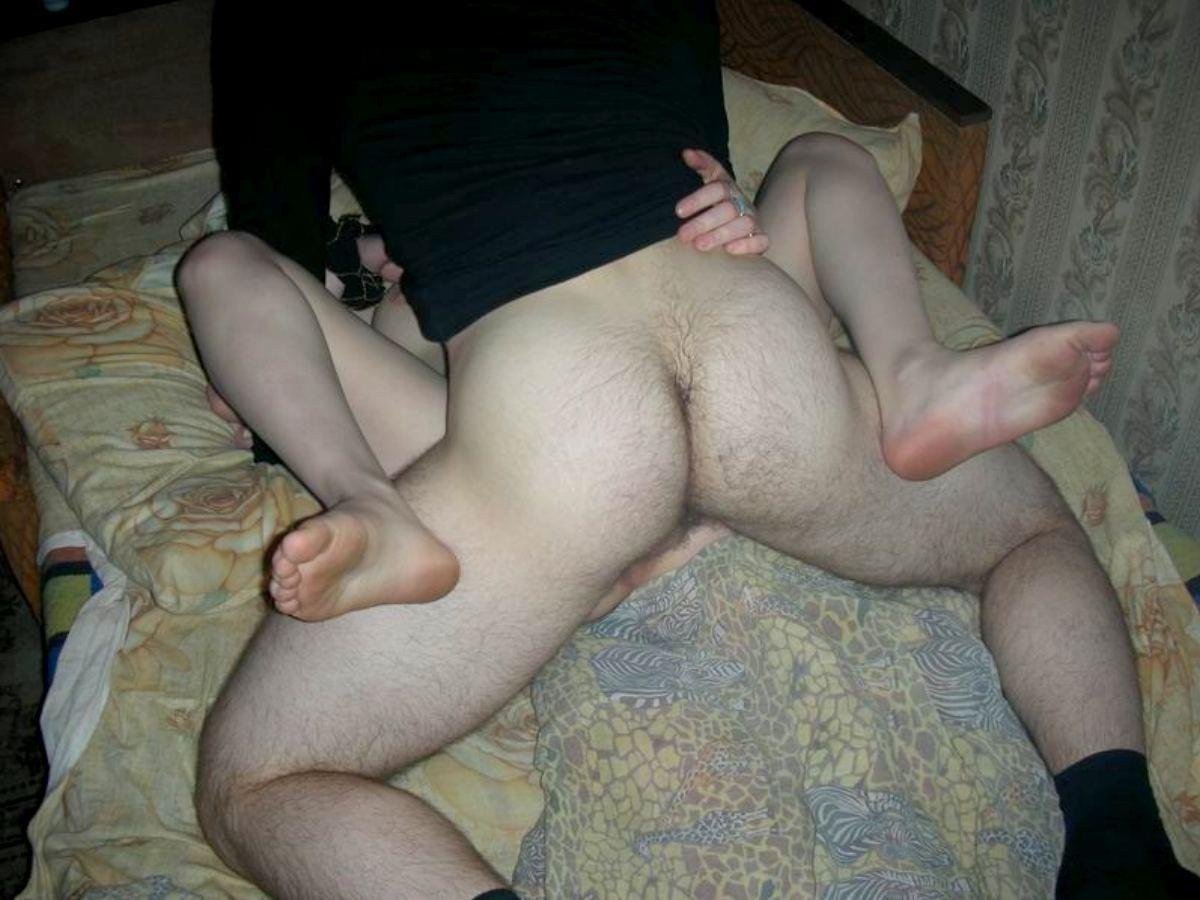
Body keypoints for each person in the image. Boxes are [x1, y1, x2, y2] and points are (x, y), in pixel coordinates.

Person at [179, 2, 1189, 897]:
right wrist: (734, 203)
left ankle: (367, 497)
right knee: (1030, 534)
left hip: (554, 423)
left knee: (257, 782)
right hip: (753, 345)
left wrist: (344, 287)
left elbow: (273, 227)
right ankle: (1123, 855)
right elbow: (696, 147)